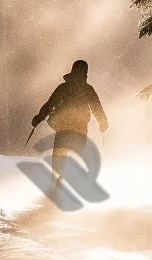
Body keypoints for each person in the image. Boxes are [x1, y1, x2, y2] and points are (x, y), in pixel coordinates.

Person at [31, 60, 108, 194]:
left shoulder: (63, 88)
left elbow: (50, 104)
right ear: (85, 72)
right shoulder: (88, 89)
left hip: (63, 128)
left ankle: (57, 183)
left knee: (60, 155)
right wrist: (103, 122)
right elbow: (97, 108)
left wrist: (39, 117)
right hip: (80, 128)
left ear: (72, 70)